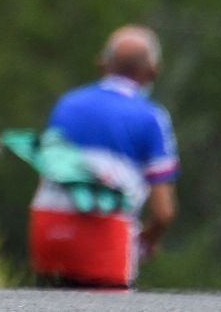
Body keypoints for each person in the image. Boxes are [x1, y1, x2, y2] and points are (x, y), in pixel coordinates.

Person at [27, 25, 178, 289]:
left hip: (49, 229)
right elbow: (163, 212)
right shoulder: (152, 117)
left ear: (102, 64)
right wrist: (148, 241)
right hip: (105, 238)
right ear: (153, 71)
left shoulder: (67, 104)